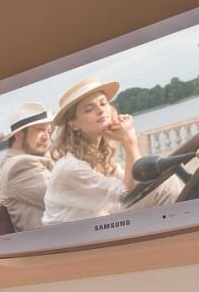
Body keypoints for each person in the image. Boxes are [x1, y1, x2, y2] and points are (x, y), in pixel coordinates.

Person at [41, 78, 180, 226]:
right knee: (166, 187)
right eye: (89, 109)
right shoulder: (71, 167)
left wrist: (128, 138)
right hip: (75, 236)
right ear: (74, 125)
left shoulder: (96, 154)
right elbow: (126, 193)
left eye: (103, 103)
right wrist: (129, 141)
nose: (100, 110)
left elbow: (137, 180)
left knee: (166, 181)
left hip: (95, 222)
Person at [0, 101, 53, 231]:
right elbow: (65, 197)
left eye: (49, 131)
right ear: (19, 135)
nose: (47, 137)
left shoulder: (20, 161)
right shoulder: (19, 166)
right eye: (39, 129)